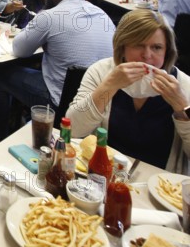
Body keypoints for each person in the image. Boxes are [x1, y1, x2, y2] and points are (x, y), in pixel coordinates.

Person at [0, 0, 115, 142]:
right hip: (101, 106)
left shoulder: (50, 15)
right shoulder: (102, 14)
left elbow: (19, 49)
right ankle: (18, 122)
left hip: (62, 103)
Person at [68, 10, 190, 173]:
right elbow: (72, 129)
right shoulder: (102, 72)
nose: (147, 55)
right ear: (122, 48)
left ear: (167, 51)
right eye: (138, 44)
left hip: (160, 185)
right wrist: (109, 87)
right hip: (102, 175)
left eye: (156, 47)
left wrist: (182, 108)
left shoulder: (184, 85)